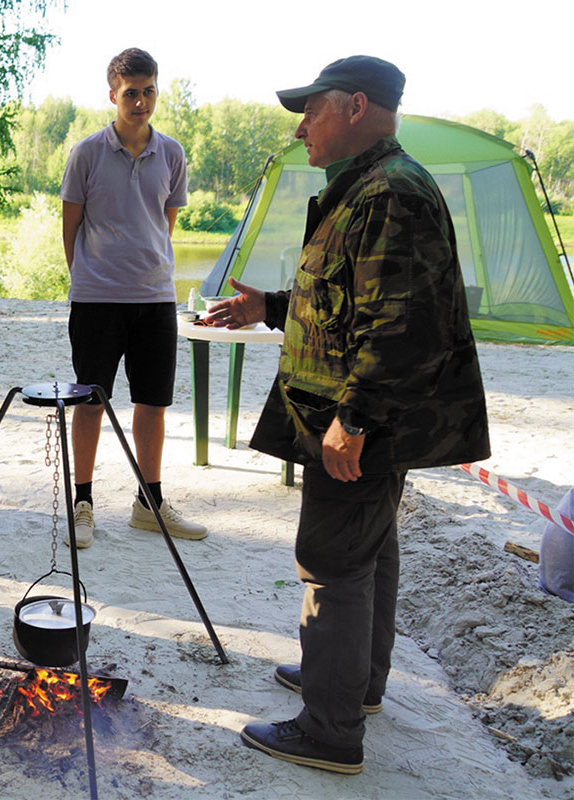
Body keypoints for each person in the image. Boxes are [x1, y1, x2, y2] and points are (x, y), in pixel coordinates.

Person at [205, 55, 491, 774]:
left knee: (332, 559)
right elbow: (349, 298)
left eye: (313, 109)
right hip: (362, 416)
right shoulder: (367, 187)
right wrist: (269, 308)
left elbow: (402, 327)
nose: (302, 125)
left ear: (356, 107)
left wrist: (355, 418)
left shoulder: (392, 193)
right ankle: (354, 684)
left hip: (363, 421)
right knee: (370, 546)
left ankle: (329, 729)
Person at [60, 47, 207, 548]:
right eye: (130, 93)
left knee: (153, 403)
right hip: (97, 299)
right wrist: (89, 281)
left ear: (156, 92)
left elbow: (163, 225)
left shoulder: (171, 153)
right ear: (112, 95)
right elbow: (71, 228)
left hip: (155, 298)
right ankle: (82, 502)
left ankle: (150, 501)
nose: (140, 102)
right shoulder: (87, 153)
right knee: (90, 401)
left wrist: (148, 272)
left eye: (147, 92)